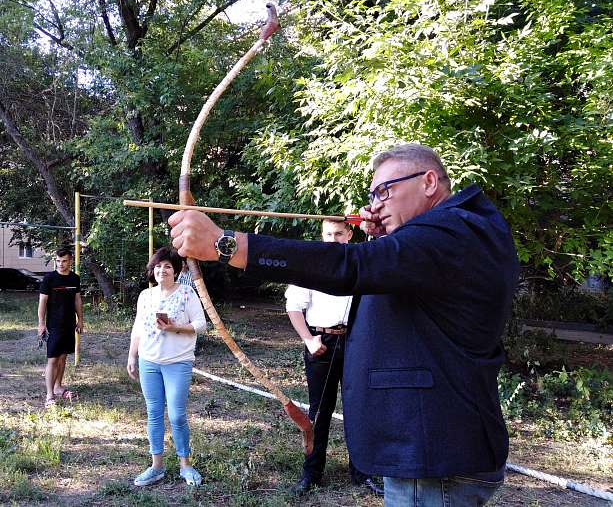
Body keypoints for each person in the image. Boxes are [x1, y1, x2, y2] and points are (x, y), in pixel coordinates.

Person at [168, 143, 519, 506]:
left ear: (429, 181)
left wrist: (226, 245)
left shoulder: (451, 232)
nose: (376, 204)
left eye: (386, 190)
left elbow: (349, 266)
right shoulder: (455, 232)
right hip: (435, 446)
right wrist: (387, 238)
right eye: (373, 195)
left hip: (434, 453)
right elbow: (405, 286)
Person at [285, 219, 383, 496]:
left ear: (349, 234)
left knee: (359, 407)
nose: (333, 239)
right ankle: (312, 473)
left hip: (355, 341)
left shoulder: (360, 261)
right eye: (328, 234)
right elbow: (294, 307)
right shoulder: (310, 263)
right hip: (321, 342)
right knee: (319, 410)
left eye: (339, 233)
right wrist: (308, 339)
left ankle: (362, 472)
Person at [127, 246, 207, 487]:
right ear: (153, 270)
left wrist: (175, 328)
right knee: (153, 413)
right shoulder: (146, 295)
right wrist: (132, 356)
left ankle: (185, 465)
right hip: (149, 361)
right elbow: (138, 327)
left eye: (168, 266)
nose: (162, 270)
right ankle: (156, 466)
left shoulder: (187, 293)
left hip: (178, 362)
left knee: (176, 415)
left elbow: (201, 325)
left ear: (177, 270)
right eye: (158, 266)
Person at [38, 247, 83, 408]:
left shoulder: (74, 279)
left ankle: (58, 387)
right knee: (53, 359)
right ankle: (49, 395)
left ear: (70, 261)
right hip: (53, 325)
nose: (61, 264)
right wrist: (41, 323)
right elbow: (42, 302)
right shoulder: (49, 278)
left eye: (64, 261)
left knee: (63, 357)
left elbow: (77, 300)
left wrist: (80, 320)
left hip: (69, 324)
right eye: (58, 261)